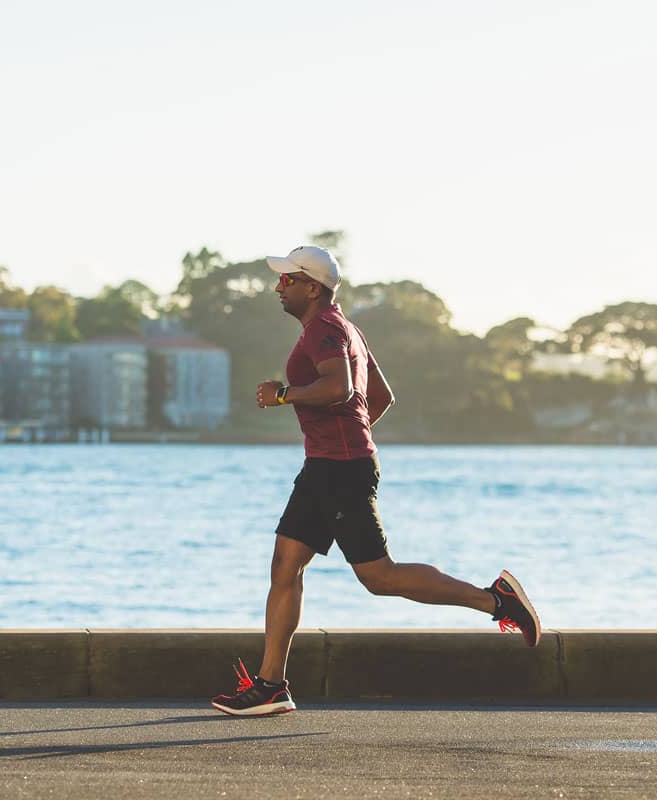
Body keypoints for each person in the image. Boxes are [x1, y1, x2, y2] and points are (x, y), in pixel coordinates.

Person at [211, 245, 541, 717]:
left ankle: (496, 600)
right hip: (329, 466)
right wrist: (348, 436)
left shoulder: (326, 328)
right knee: (285, 565)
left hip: (339, 470)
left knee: (379, 576)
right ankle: (271, 686)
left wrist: (285, 395)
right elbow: (379, 397)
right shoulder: (347, 329)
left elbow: (342, 388)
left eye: (287, 280)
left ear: (312, 286)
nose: (278, 287)